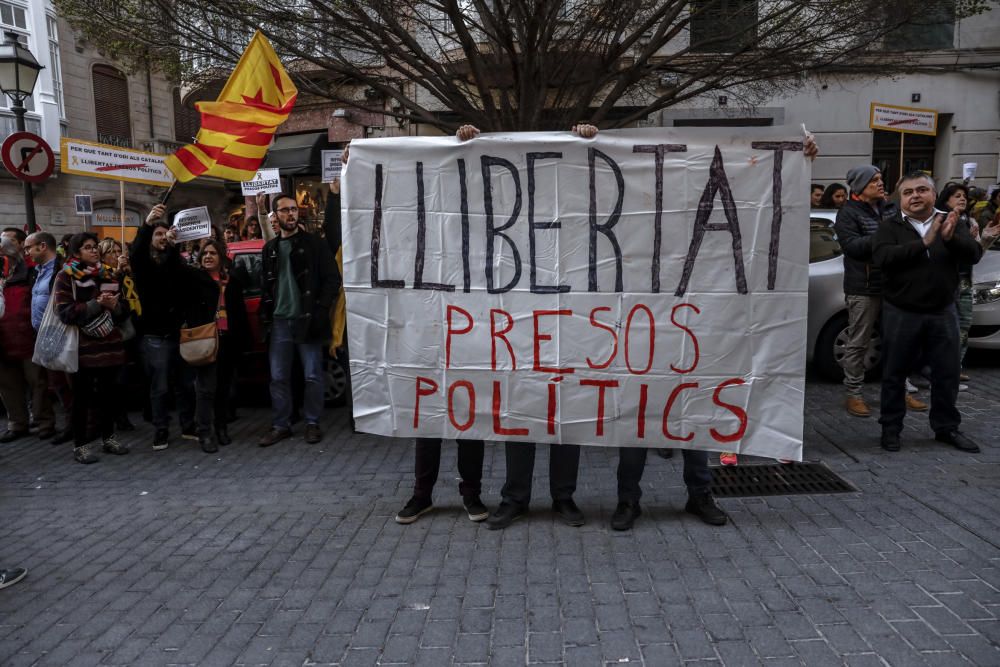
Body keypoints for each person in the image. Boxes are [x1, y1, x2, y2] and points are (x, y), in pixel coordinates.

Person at [612, 130, 821, 531]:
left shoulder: (706, 217)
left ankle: (700, 495)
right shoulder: (639, 221)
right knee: (636, 424)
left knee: (697, 417)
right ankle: (628, 500)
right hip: (645, 333)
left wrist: (801, 153)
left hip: (699, 328)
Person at [873, 172, 983, 453]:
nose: (915, 196)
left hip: (942, 311)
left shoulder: (950, 221)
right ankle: (891, 429)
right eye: (908, 192)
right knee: (894, 374)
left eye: (921, 190)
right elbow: (883, 258)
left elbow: (973, 254)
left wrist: (949, 239)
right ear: (901, 199)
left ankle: (946, 428)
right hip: (901, 311)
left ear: (934, 194)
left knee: (947, 373)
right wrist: (922, 243)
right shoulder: (890, 225)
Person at [834, 165, 926, 417]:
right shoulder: (847, 213)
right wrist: (885, 236)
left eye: (880, 179)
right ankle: (853, 393)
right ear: (860, 187)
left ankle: (902, 390)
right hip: (864, 287)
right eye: (874, 180)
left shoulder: (891, 208)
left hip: (896, 285)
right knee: (858, 343)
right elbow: (853, 247)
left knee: (899, 341)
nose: (880, 183)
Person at [256, 193, 339, 447]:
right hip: (280, 321)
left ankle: (312, 422)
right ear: (276, 216)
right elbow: (266, 287)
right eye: (285, 210)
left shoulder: (314, 244)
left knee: (313, 375)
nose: (291, 214)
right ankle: (281, 425)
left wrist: (320, 308)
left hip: (306, 319)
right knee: (278, 376)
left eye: (293, 209)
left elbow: (332, 279)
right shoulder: (270, 249)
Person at [53, 233, 131, 464]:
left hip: (109, 347)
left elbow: (123, 310)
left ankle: (109, 438)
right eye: (87, 247)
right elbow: (64, 312)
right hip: (82, 349)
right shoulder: (65, 277)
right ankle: (81, 445)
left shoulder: (107, 273)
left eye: (95, 247)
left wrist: (115, 306)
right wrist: (96, 304)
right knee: (82, 399)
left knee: (109, 396)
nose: (94, 251)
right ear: (76, 253)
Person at [131, 204, 194, 450]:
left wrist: (174, 246)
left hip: (178, 330)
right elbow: (136, 251)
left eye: (164, 234)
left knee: (185, 383)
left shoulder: (173, 260)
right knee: (160, 386)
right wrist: (147, 225)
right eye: (158, 235)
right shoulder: (143, 264)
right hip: (154, 334)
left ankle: (188, 424)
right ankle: (161, 428)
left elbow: (178, 272)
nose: (162, 238)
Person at [178, 238, 250, 451]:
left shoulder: (232, 281)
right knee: (206, 389)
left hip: (228, 340)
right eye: (205, 253)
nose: (208, 256)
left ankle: (221, 428)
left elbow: (241, 313)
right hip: (206, 340)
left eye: (213, 253)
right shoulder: (195, 279)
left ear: (221, 258)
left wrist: (244, 344)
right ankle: (204, 432)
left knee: (223, 389)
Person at [0, 236, 55, 442]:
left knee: (38, 383)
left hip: (29, 338)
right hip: (3, 341)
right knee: (7, 386)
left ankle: (44, 422)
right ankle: (17, 423)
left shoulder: (32, 272)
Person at [935, 183, 976, 383]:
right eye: (957, 195)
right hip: (950, 280)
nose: (962, 199)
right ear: (946, 200)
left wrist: (982, 240)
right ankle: (941, 368)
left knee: (964, 324)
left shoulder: (968, 222)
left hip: (966, 279)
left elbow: (974, 254)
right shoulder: (940, 219)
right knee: (946, 327)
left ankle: (956, 366)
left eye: (964, 196)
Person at [99, 237, 139, 431]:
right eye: (112, 252)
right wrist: (118, 273)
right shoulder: (103, 273)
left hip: (132, 327)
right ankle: (118, 416)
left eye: (119, 251)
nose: (117, 255)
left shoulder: (127, 272)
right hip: (114, 330)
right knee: (117, 378)